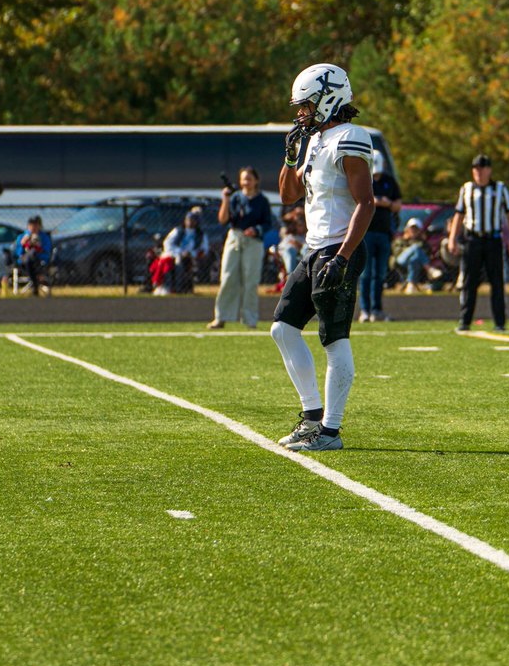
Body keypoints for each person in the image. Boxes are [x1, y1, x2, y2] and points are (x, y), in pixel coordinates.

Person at [271, 62, 374, 452]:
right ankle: (311, 416)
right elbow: (287, 195)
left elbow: (366, 203)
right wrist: (291, 155)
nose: (301, 113)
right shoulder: (315, 140)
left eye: (307, 105)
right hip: (314, 248)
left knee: (334, 339)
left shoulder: (351, 137)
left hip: (339, 247)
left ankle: (329, 431)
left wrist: (344, 257)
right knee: (282, 328)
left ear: (329, 98)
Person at [447, 154, 509, 332]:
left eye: (481, 168)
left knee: (497, 282)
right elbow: (459, 215)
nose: (477, 172)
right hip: (473, 239)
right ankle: (465, 321)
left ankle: (500, 322)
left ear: (489, 170)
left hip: (493, 239)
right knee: (469, 282)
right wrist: (452, 238)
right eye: (475, 168)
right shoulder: (467, 189)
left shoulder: (500, 189)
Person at [208, 167, 273, 330]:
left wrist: (255, 230)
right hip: (235, 238)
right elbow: (223, 219)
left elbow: (268, 224)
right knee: (228, 277)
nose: (246, 182)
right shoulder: (235, 197)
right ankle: (221, 317)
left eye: (249, 179)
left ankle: (250, 319)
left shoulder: (262, 201)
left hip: (253, 242)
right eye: (244, 179)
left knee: (250, 280)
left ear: (256, 181)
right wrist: (225, 199)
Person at [357, 154, 402, 323]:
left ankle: (377, 310)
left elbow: (398, 205)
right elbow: (358, 200)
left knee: (380, 274)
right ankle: (365, 310)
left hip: (384, 233)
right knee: (366, 274)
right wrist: (376, 201)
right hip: (366, 232)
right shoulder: (364, 180)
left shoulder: (389, 181)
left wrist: (388, 203)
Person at [152, 211, 205, 295]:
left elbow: (203, 249)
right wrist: (180, 252)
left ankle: (179, 287)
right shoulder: (178, 230)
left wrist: (192, 253)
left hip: (190, 257)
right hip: (174, 255)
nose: (190, 222)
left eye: (192, 220)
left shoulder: (200, 234)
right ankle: (168, 286)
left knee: (183, 261)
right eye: (188, 219)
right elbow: (167, 243)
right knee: (172, 262)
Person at [13, 216, 53, 295]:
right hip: (24, 262)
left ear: (39, 226)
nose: (33, 227)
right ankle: (35, 283)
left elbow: (47, 251)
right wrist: (23, 244)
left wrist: (39, 246)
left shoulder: (44, 237)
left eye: (36, 225)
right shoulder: (22, 237)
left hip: (40, 260)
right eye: (31, 225)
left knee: (33, 254)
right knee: (29, 257)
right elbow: (18, 253)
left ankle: (34, 284)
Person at [393, 218, 431, 293]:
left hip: (415, 263)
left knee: (413, 260)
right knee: (416, 248)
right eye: (411, 228)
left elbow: (427, 253)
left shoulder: (423, 242)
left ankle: (411, 284)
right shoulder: (400, 240)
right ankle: (429, 269)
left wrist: (421, 241)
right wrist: (409, 244)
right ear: (407, 229)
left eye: (416, 229)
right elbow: (397, 253)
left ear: (420, 231)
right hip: (400, 261)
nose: (413, 231)